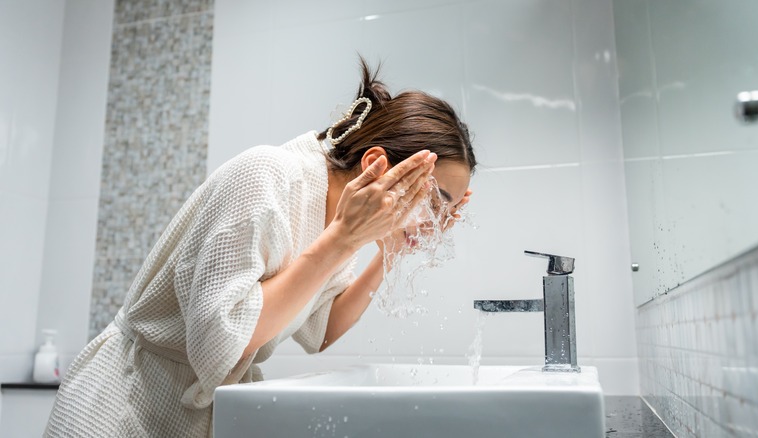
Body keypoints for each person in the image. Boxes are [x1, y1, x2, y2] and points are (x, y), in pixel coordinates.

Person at [44, 58, 476, 437]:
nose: (435, 221)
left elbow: (321, 330)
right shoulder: (266, 177)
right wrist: (342, 239)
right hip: (122, 404)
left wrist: (390, 251)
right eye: (436, 200)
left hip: (188, 410)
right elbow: (219, 340)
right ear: (376, 165)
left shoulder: (332, 217)